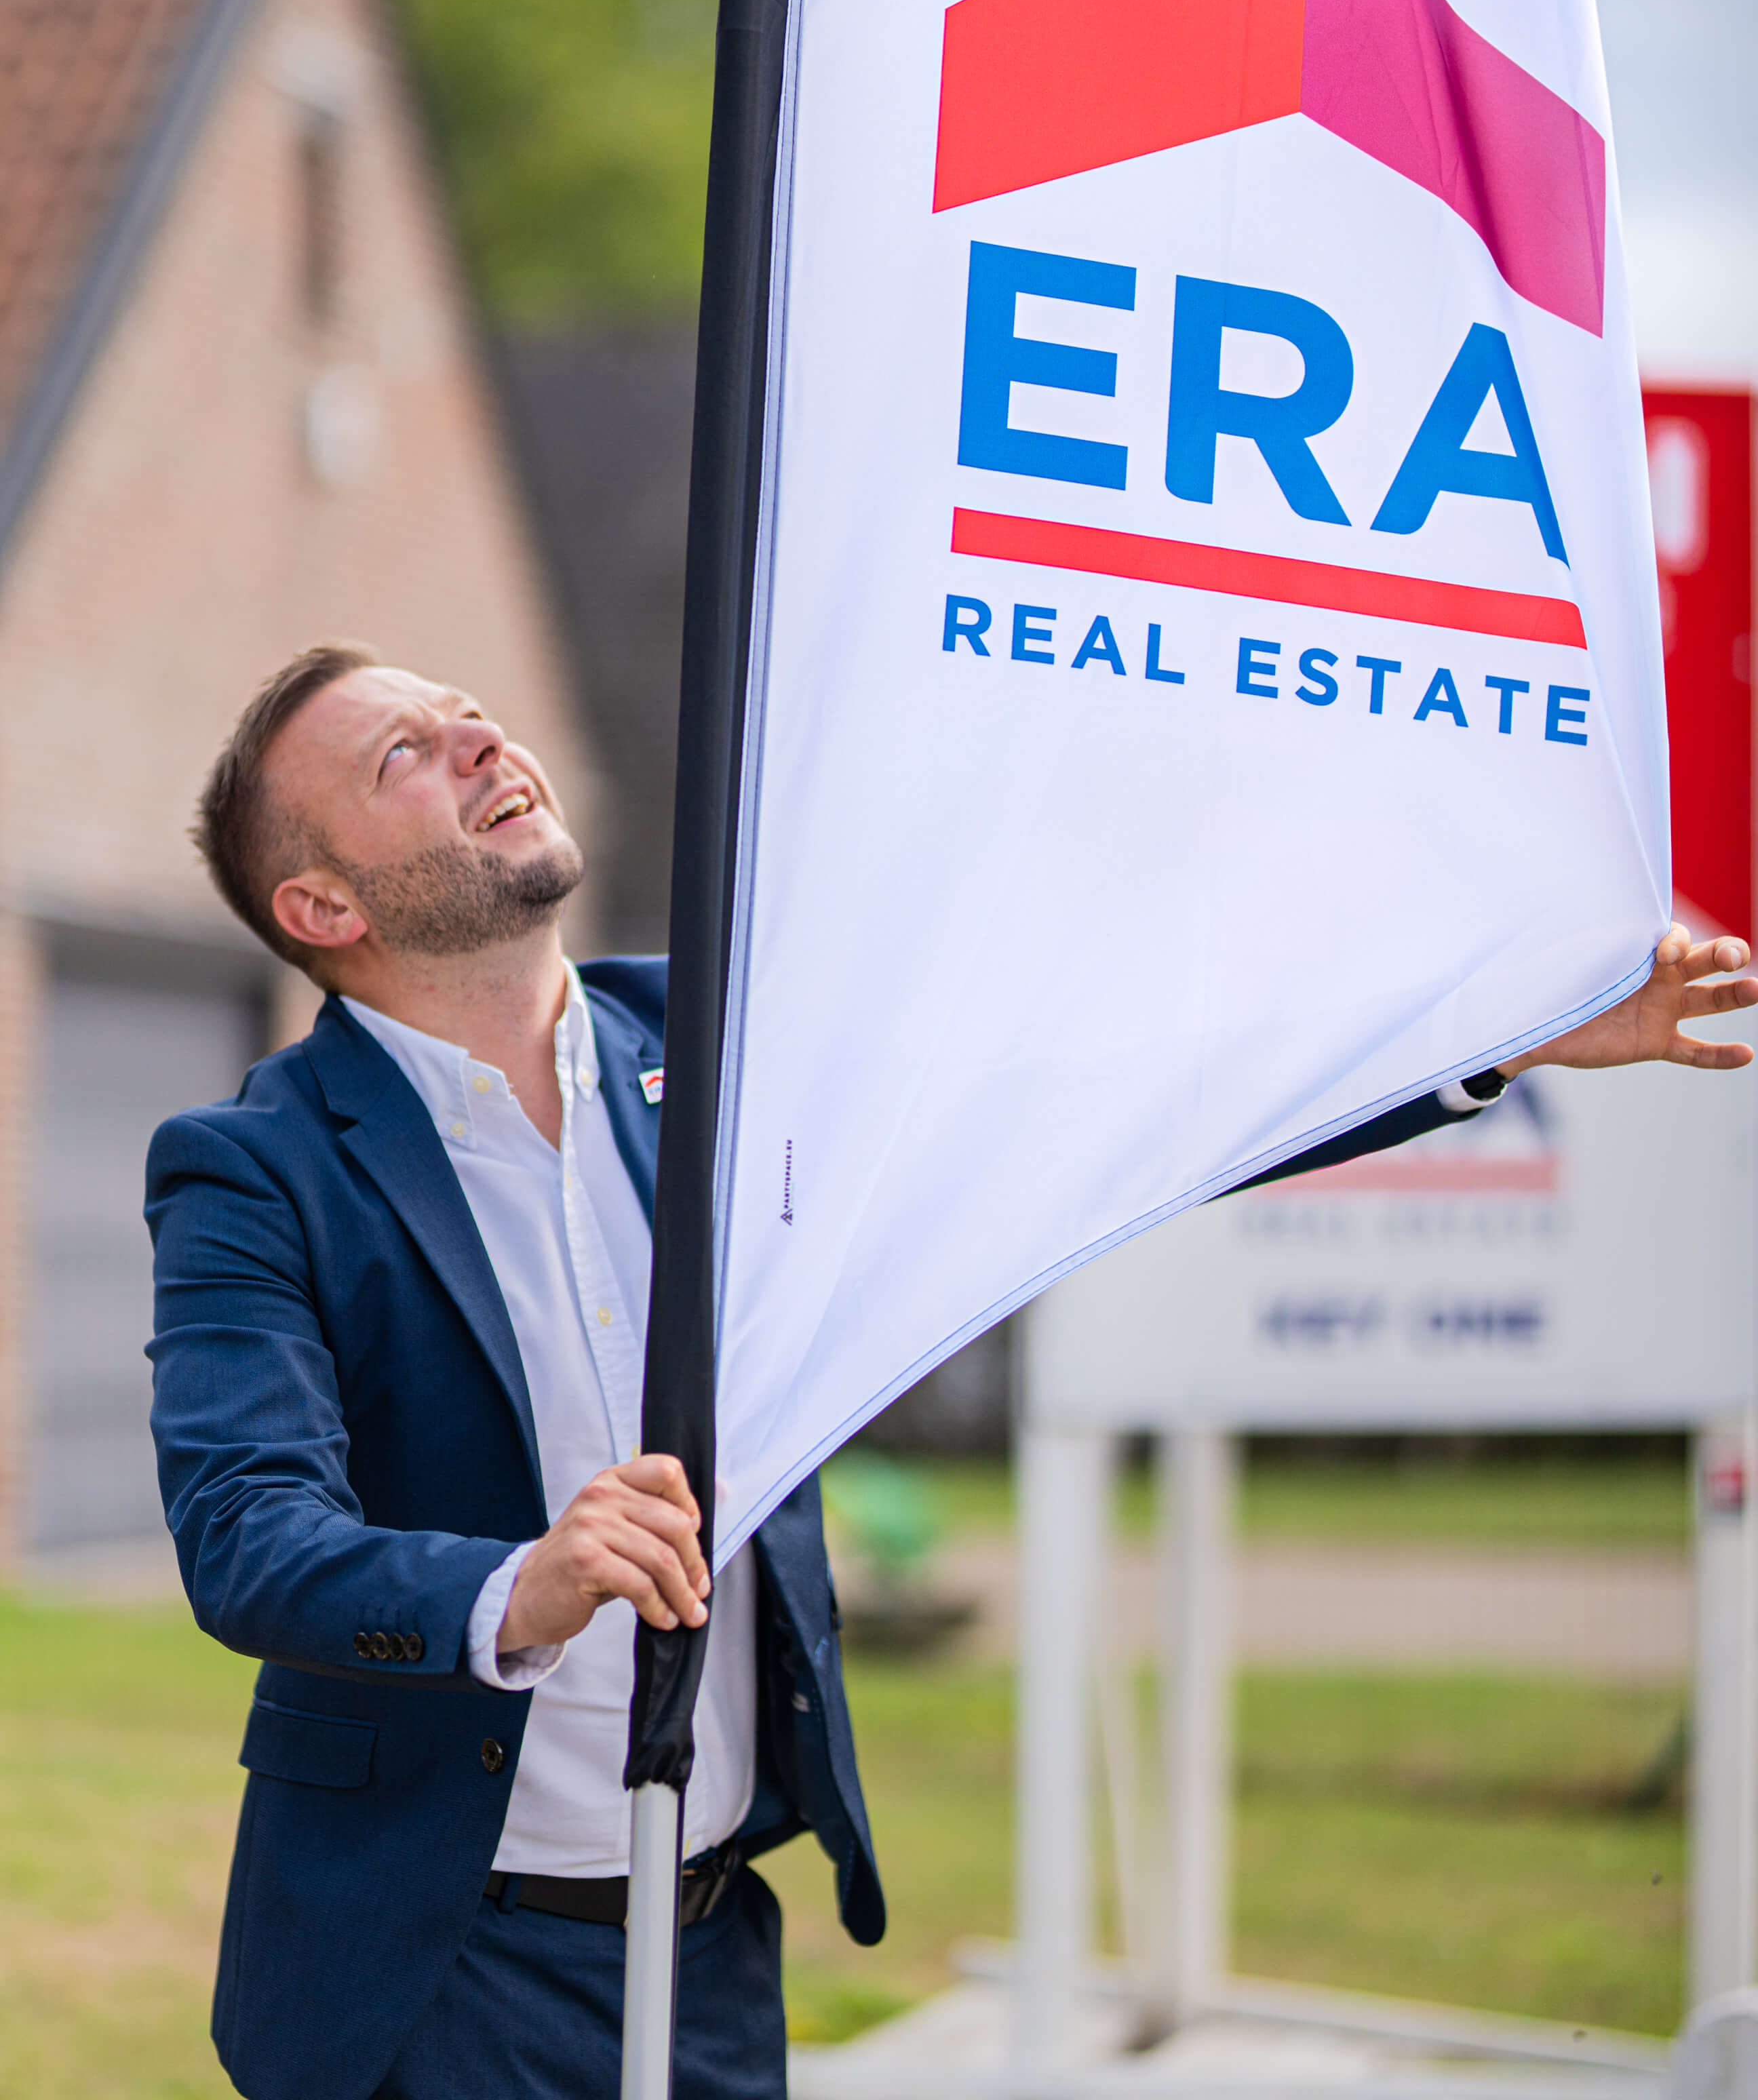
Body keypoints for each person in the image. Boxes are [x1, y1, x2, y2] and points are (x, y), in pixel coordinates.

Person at [147, 643, 1757, 2100]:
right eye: (404, 754)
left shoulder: (723, 1047)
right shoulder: (255, 1169)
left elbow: (1110, 1105)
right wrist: (524, 1581)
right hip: (429, 1983)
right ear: (325, 908)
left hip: (707, 1953)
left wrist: (1485, 1038)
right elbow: (249, 1532)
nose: (475, 733)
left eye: (464, 707)